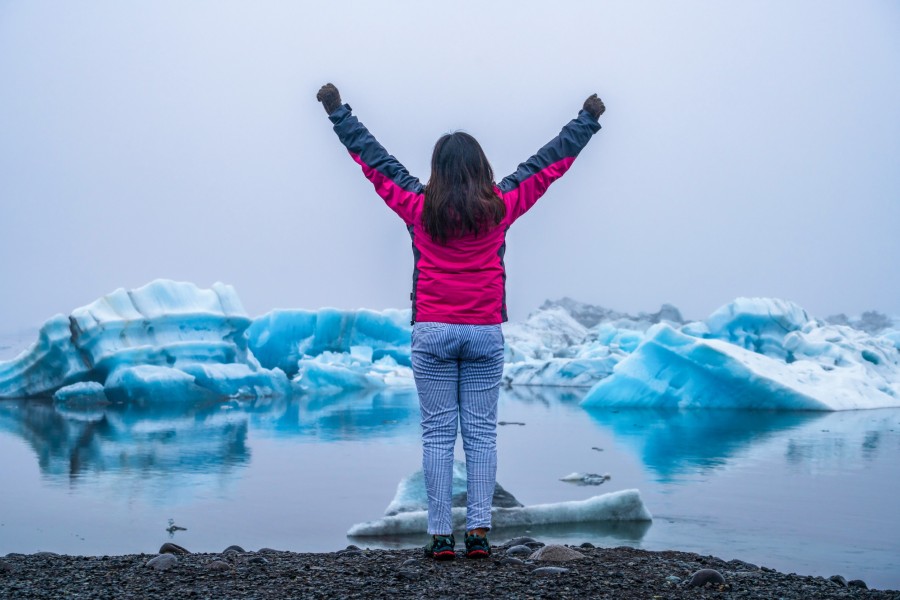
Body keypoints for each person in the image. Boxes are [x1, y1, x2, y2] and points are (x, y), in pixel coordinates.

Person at [316, 83, 604, 560]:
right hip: (484, 332)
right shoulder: (502, 205)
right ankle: (478, 535)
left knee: (436, 433)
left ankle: (440, 538)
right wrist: (586, 120)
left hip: (432, 331)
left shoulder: (415, 205)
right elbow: (547, 165)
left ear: (437, 169)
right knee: (482, 433)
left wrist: (338, 113)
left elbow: (374, 162)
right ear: (482, 168)